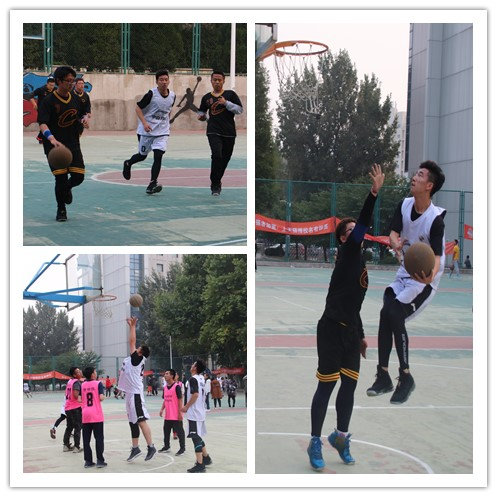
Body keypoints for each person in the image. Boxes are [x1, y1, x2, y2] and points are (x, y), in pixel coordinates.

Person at [307, 164, 385, 471]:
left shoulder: (359, 260)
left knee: (349, 387)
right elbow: (364, 223)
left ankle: (340, 437)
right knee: (326, 386)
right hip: (330, 330)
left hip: (351, 331)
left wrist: (361, 335)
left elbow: (355, 304)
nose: (355, 233)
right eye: (349, 231)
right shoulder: (348, 254)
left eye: (355, 230)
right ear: (342, 239)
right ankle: (315, 441)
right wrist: (373, 194)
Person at [366, 160, 446, 405]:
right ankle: (383, 376)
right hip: (404, 271)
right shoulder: (404, 205)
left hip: (424, 279)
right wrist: (395, 243)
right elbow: (393, 233)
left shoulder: (435, 219)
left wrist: (429, 276)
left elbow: (436, 258)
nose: (414, 177)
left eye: (420, 175)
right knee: (385, 312)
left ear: (429, 185)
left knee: (394, 313)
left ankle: (406, 376)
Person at [37, 66, 90, 222]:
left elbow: (82, 114)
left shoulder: (76, 98)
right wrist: (51, 139)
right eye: (68, 81)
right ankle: (61, 209)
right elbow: (42, 123)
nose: (71, 84)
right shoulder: (49, 101)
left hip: (73, 143)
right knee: (60, 178)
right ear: (59, 81)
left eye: (73, 81)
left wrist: (84, 119)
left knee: (78, 177)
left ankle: (67, 188)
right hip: (55, 146)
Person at [122, 69, 176, 195]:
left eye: (166, 79)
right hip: (146, 131)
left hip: (162, 132)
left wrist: (167, 123)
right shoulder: (151, 94)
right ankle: (128, 163)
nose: (164, 82)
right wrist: (145, 123)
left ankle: (152, 183)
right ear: (157, 82)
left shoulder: (172, 96)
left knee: (158, 155)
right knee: (142, 156)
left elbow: (169, 110)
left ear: (169, 81)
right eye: (161, 80)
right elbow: (138, 108)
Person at [117, 317, 157, 462]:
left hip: (135, 395)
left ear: (140, 352)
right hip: (129, 394)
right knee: (132, 421)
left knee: (141, 420)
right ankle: (135, 448)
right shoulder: (134, 359)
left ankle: (151, 446)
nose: (136, 348)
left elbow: (132, 341)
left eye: (138, 348)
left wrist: (132, 326)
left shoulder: (137, 359)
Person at [197, 70, 243, 196]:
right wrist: (202, 117)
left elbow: (239, 110)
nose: (217, 82)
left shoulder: (230, 95)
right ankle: (215, 184)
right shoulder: (207, 97)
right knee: (217, 155)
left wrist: (226, 103)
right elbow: (201, 112)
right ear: (211, 81)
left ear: (223, 81)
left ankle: (217, 180)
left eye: (219, 80)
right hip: (213, 131)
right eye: (215, 80)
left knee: (225, 159)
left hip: (229, 132)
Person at [181, 359, 212, 473]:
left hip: (194, 413)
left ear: (195, 368)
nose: (191, 365)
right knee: (197, 436)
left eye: (193, 364)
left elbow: (195, 395)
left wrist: (186, 406)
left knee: (195, 437)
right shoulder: (202, 378)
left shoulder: (193, 379)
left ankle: (200, 464)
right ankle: (206, 458)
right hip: (200, 411)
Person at [81, 367, 107, 468]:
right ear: (92, 374)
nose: (96, 373)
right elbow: (101, 397)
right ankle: (100, 460)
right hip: (96, 414)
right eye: (95, 371)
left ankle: (88, 461)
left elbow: (79, 399)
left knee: (86, 439)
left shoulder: (82, 384)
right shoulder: (98, 383)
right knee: (99, 438)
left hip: (85, 414)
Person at [159, 369, 186, 456]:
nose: (165, 375)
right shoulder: (165, 388)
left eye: (167, 374)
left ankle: (182, 448)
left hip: (176, 415)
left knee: (180, 432)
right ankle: (166, 446)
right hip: (168, 415)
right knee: (166, 431)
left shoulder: (177, 387)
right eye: (165, 374)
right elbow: (165, 400)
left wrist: (180, 413)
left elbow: (180, 400)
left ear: (171, 376)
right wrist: (162, 409)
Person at [26, 76, 56, 144]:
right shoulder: (41, 89)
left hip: (51, 110)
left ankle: (40, 137)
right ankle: (41, 137)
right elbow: (30, 96)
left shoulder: (55, 90)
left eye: (53, 85)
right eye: (50, 85)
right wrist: (34, 104)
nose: (52, 87)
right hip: (42, 109)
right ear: (47, 84)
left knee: (51, 123)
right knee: (44, 123)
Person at [63, 367, 83, 453]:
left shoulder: (70, 381)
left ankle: (66, 445)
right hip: (75, 408)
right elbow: (75, 395)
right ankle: (77, 447)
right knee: (77, 427)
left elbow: (66, 393)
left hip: (68, 407)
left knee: (69, 427)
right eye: (78, 372)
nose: (80, 372)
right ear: (74, 375)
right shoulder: (76, 383)